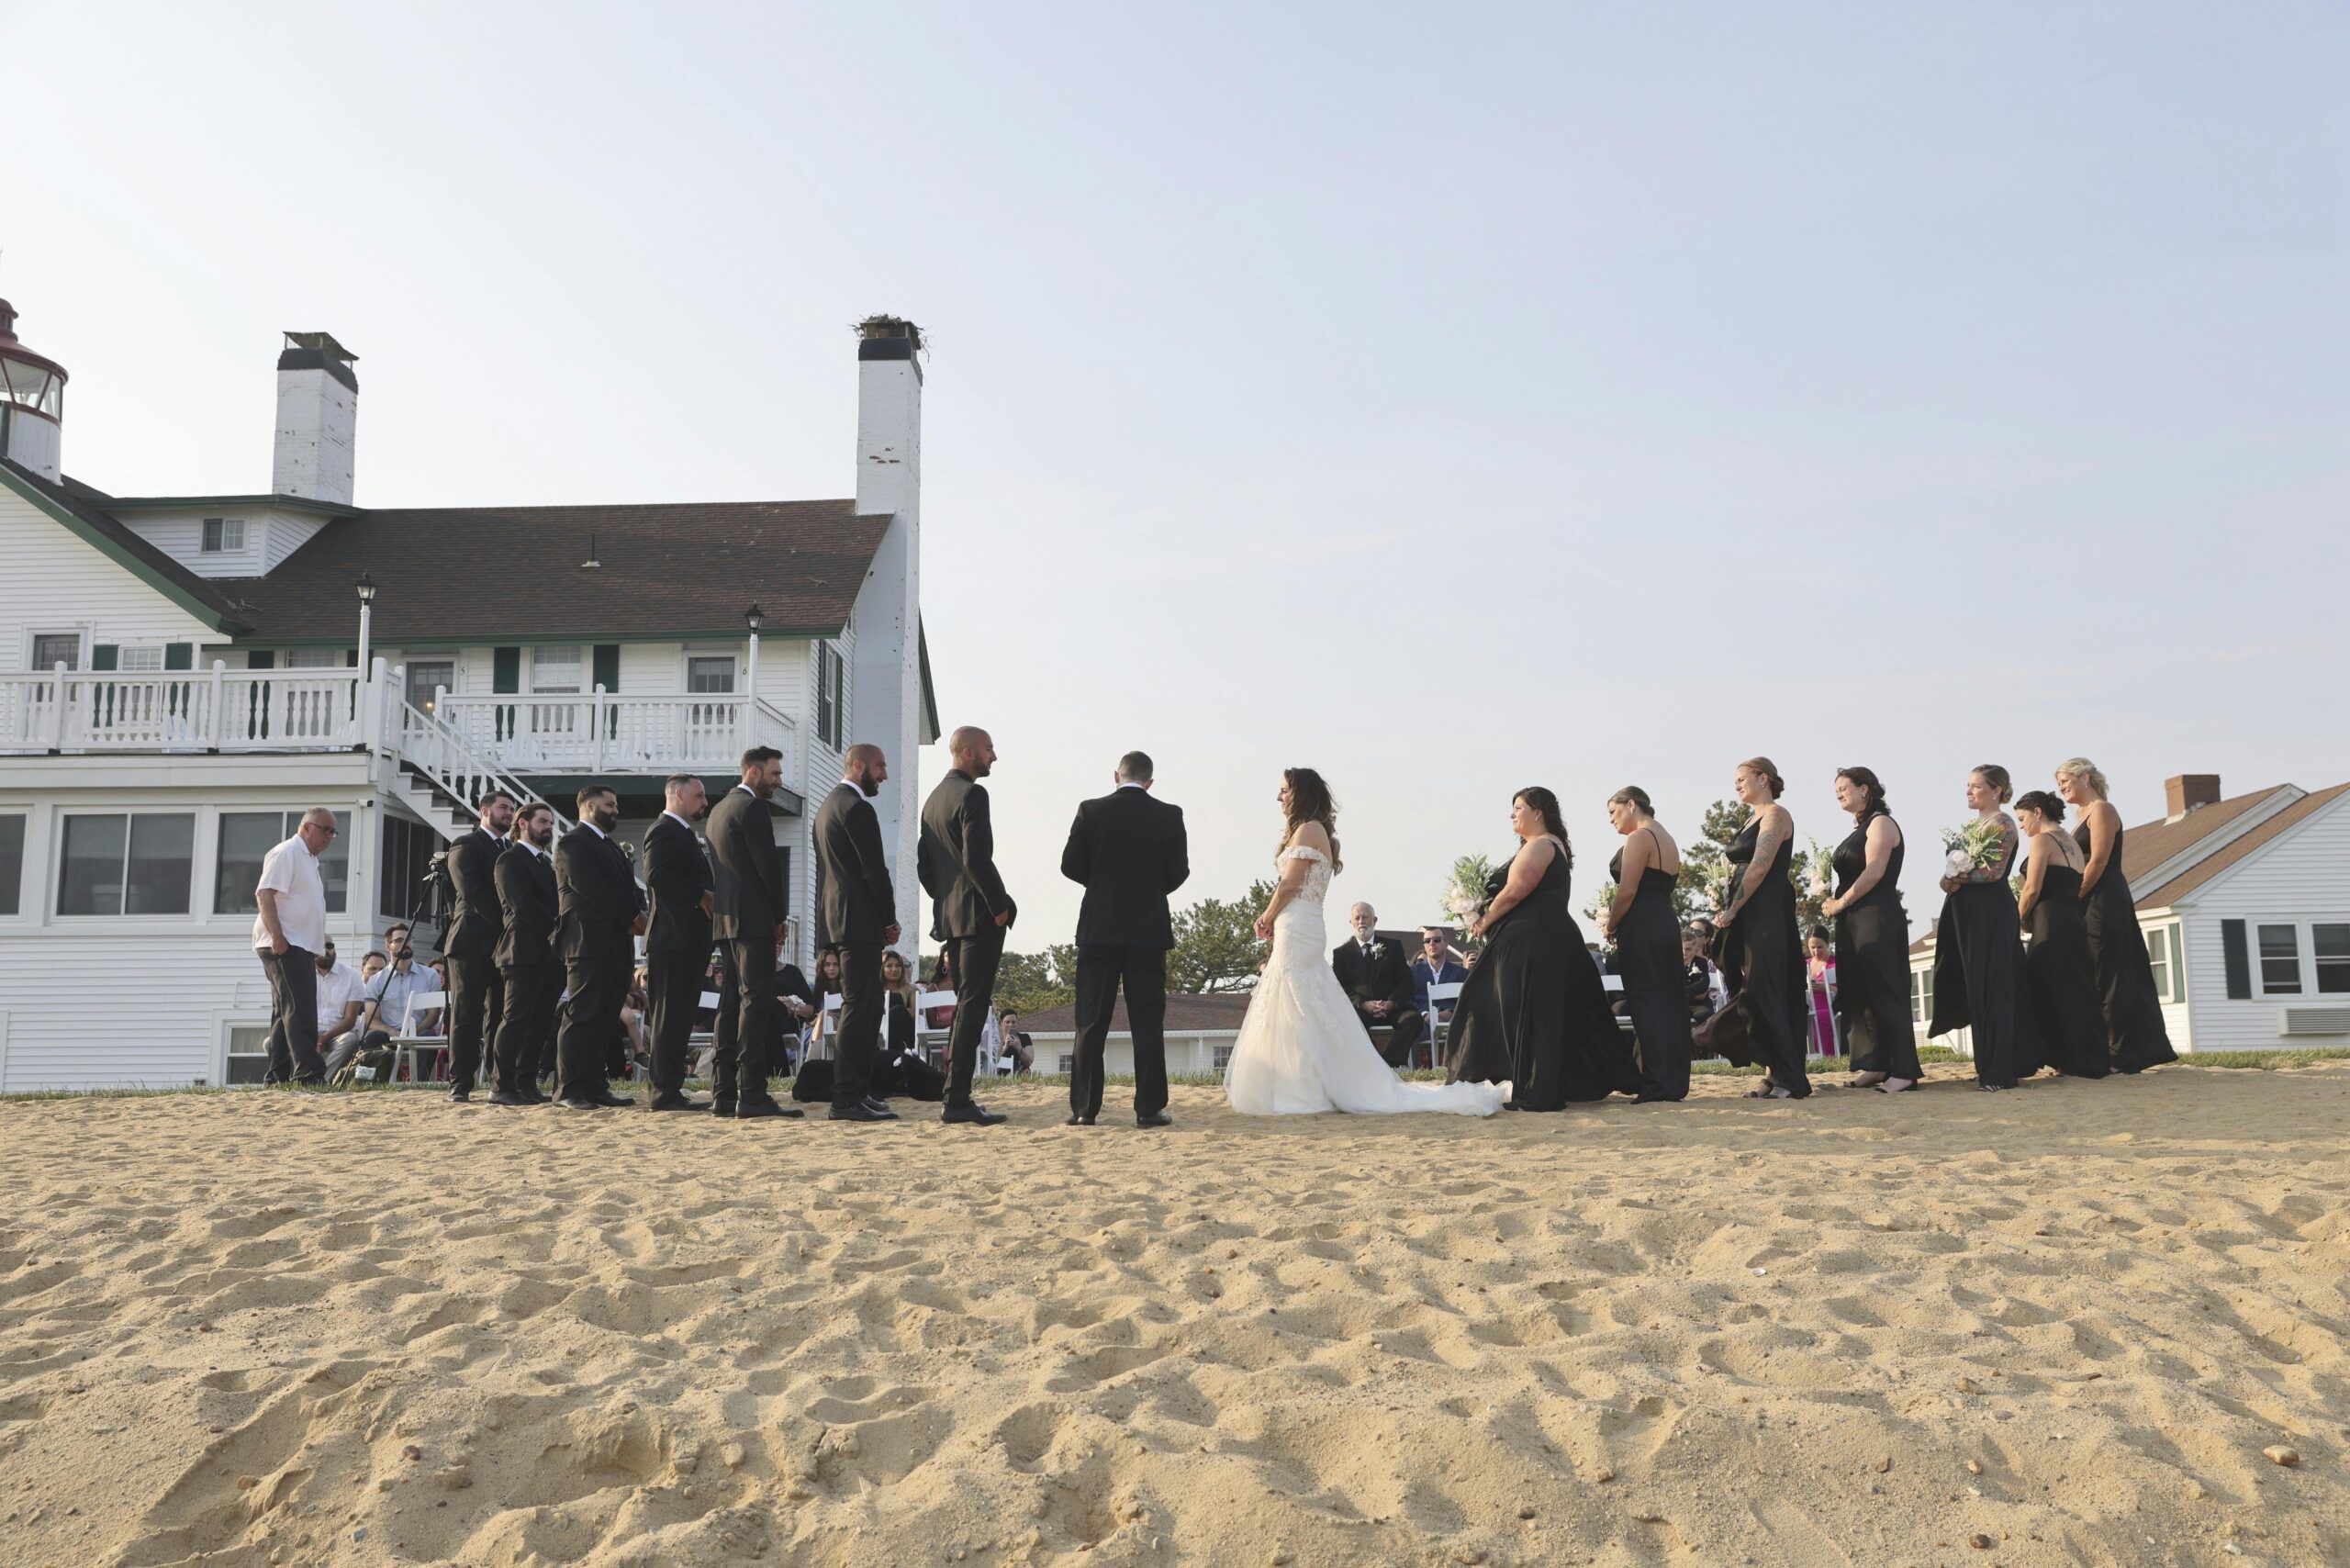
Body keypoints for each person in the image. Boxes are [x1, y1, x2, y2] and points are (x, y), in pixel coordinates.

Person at [1225, 770, 1504, 1117]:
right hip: (1300, 924)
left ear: (1300, 794)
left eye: (1283, 791)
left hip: (1298, 923)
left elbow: (1289, 884)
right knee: (1300, 1002)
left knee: (1294, 1001)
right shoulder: (1316, 831)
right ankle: (1301, 1080)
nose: (1278, 798)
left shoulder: (1309, 829)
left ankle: (1300, 1087)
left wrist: (1265, 917)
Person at [1445, 787, 1638, 1109]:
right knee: (1533, 1010)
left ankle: (1539, 1087)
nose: (1512, 814)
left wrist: (1484, 919)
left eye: (1518, 807)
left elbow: (1516, 889)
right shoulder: (1542, 845)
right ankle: (1535, 1081)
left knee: (1525, 1010)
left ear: (1538, 812)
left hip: (1536, 938)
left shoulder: (1541, 845)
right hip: (1540, 936)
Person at [1060, 750, 1191, 1127]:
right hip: (1148, 931)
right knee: (1147, 1021)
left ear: (1116, 775)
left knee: (1090, 1021)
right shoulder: (1170, 815)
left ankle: (1085, 1109)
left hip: (1099, 930)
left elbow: (1070, 864)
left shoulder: (1090, 810)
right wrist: (1150, 890)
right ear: (1150, 781)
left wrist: (1101, 884)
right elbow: (1178, 872)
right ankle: (1148, 1108)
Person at [918, 724, 1015, 1126]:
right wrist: (1000, 906)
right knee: (973, 1007)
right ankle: (957, 1099)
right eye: (989, 749)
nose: (995, 756)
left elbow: (925, 867)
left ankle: (953, 1094)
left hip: (951, 918)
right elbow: (977, 860)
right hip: (978, 918)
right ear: (969, 753)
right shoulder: (974, 794)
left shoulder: (933, 800)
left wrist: (946, 902)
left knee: (964, 1006)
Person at [2055, 758, 2178, 1073]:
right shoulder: (2081, 816)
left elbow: (2097, 861)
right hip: (2086, 897)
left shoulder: (2103, 811)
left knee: (2109, 974)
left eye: (2065, 781)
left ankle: (2119, 1052)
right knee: (2091, 972)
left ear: (2085, 778)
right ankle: (2096, 1047)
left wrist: (2076, 895)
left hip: (2104, 898)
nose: (2061, 788)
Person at [1930, 765, 2044, 1091]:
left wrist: (1958, 877)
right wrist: (1947, 877)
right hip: (1964, 913)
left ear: (1996, 790)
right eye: (1967, 785)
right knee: (1975, 989)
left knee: (1994, 988)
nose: (1969, 791)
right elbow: (1956, 867)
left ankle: (2000, 1072)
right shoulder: (1971, 825)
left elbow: (1994, 872)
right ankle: (1986, 1066)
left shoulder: (2004, 823)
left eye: (1976, 786)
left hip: (1990, 913)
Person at [709, 746, 801, 1120]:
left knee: (730, 1003)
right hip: (755, 921)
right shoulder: (753, 808)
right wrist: (778, 916)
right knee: (755, 1003)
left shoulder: (718, 810)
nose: (780, 781)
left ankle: (723, 1092)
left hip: (727, 920)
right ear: (753, 773)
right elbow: (769, 869)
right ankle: (752, 1093)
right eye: (775, 774)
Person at [814, 744, 902, 1123]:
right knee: (859, 1008)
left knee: (867, 1008)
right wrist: (889, 919)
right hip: (860, 921)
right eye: (880, 766)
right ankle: (846, 1099)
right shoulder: (856, 807)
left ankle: (860, 1091)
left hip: (841, 918)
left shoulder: (827, 807)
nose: (884, 774)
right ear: (860, 765)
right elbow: (874, 871)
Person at [1819, 766, 1921, 1092]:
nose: (1838, 793)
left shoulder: (1882, 823)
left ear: (1865, 789)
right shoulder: (1860, 827)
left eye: (1844, 787)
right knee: (1860, 992)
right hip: (1853, 919)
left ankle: (1904, 1070)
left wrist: (1841, 902)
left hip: (1875, 917)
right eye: (1835, 789)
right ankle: (1875, 1064)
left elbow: (1875, 871)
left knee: (1885, 990)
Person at [1717, 758, 1810, 1101]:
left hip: (1767, 910)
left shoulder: (1776, 815)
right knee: (1753, 990)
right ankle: (1772, 1072)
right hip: (1746, 911)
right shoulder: (1749, 818)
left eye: (1742, 779)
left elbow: (1759, 865)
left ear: (1763, 778)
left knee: (1769, 989)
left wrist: (1734, 906)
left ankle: (1789, 1077)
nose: (1737, 785)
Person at [553, 785, 643, 1110]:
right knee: (582, 1015)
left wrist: (641, 912)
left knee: (605, 1018)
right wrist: (633, 916)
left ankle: (594, 1086)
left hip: (617, 943)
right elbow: (591, 888)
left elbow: (629, 889)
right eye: (610, 804)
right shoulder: (572, 843)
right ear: (590, 806)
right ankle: (568, 1089)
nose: (616, 810)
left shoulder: (613, 848)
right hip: (587, 942)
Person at [1599, 786, 1692, 1103]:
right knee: (1667, 1002)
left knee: (1647, 1001)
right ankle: (1671, 1080)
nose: (1611, 819)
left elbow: (1627, 891)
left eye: (1613, 811)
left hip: (1642, 925)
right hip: (1664, 920)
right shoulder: (1667, 837)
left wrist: (1610, 924)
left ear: (1632, 804)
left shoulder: (1639, 837)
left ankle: (1657, 1082)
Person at [2014, 790, 2110, 1079]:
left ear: (2038, 812)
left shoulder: (2042, 839)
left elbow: (2032, 888)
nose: (2021, 825)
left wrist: (2015, 919)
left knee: (2043, 988)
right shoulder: (2071, 840)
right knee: (2075, 989)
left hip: (2050, 922)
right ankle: (2078, 1059)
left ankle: (2063, 1059)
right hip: (2073, 920)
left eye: (2022, 818)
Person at [643, 773, 717, 1113]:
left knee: (680, 1017)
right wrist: (699, 895)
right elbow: (657, 875)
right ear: (678, 794)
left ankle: (671, 1087)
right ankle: (663, 1091)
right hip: (671, 939)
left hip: (688, 941)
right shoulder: (663, 831)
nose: (705, 802)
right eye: (699, 796)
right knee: (668, 1017)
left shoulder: (684, 833)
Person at [252, 807, 338, 1084]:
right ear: (305, 827)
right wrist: (278, 937)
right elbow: (264, 894)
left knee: (284, 1010)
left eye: (332, 832)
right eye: (324, 830)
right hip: (284, 942)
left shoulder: (309, 859)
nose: (328, 837)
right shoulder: (288, 852)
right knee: (300, 1008)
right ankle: (309, 1072)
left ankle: (277, 1075)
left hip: (299, 943)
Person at [441, 790, 515, 1103]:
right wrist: (510, 920)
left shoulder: (511, 849)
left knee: (500, 1015)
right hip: (470, 941)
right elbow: (472, 890)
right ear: (484, 811)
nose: (509, 813)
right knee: (466, 1015)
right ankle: (460, 1083)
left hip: (503, 945)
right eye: (502, 807)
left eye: (512, 809)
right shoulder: (465, 845)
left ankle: (499, 1083)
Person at [491, 802, 560, 1104]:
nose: (549, 827)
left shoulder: (546, 864)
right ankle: (501, 1086)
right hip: (521, 951)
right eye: (543, 821)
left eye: (551, 823)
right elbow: (524, 905)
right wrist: (558, 929)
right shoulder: (509, 860)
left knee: (541, 1022)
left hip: (548, 953)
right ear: (522, 823)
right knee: (515, 1019)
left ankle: (526, 1082)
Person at [1329, 902, 1426, 1069]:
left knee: (1414, 1020)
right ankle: (1369, 1065)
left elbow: (1405, 980)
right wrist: (1363, 1003)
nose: (1361, 921)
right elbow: (1340, 986)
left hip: (1391, 1008)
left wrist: (1392, 1003)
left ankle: (1388, 1064)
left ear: (1375, 920)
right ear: (1350, 923)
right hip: (1361, 1010)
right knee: (1350, 1024)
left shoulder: (1393, 946)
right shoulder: (1341, 953)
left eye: (1365, 917)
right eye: (1357, 918)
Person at [348, 924, 441, 1074]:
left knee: (428, 1036)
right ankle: (369, 1081)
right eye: (399, 940)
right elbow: (372, 1020)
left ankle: (420, 1081)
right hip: (388, 1034)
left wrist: (415, 1031)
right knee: (372, 1036)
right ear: (387, 946)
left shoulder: (430, 975)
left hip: (419, 1030)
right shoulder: (376, 981)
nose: (406, 943)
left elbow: (433, 1015)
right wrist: (391, 1031)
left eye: (409, 939)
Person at [1409, 929, 1470, 1065]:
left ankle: (1461, 1071)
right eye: (1427, 941)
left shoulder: (1461, 973)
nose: (1432, 943)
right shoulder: (1412, 972)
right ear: (1424, 946)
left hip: (1454, 1023)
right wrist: (1424, 1014)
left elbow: (1467, 1000)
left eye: (1436, 940)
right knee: (1409, 1028)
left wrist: (1451, 1011)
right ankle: (1415, 1073)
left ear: (1446, 943)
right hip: (1423, 1023)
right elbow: (1408, 999)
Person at [313, 941, 364, 1067]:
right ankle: (293, 1081)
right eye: (319, 946)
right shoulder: (301, 974)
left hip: (338, 1035)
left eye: (329, 946)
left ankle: (322, 1081)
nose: (325, 950)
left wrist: (324, 1037)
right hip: (308, 1034)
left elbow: (350, 1019)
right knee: (271, 1042)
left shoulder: (351, 975)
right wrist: (311, 1037)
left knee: (350, 1040)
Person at [1805, 932, 1839, 1058]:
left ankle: (1826, 1056)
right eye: (1812, 947)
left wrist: (1827, 988)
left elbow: (1848, 991)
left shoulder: (1835, 963)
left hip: (1831, 1008)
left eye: (1820, 947)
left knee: (1816, 1016)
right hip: (1808, 1007)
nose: (1816, 951)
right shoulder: (1805, 964)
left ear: (1827, 944)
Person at [1682, 928, 1721, 1025]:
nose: (1684, 953)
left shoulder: (1701, 962)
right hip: (1677, 1004)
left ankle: (1704, 1040)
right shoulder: (1670, 965)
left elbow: (1704, 983)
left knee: (1705, 1015)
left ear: (1696, 950)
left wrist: (1686, 992)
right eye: (1681, 949)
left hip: (1698, 1004)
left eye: (1688, 949)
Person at [997, 1008, 1036, 1075]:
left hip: (1019, 1076)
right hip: (999, 1076)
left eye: (1013, 1022)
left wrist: (1019, 1047)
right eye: (1007, 1022)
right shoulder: (996, 1039)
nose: (1011, 1025)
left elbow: (1029, 1061)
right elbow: (993, 1060)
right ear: (1001, 1023)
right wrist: (1005, 1046)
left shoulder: (1024, 1037)